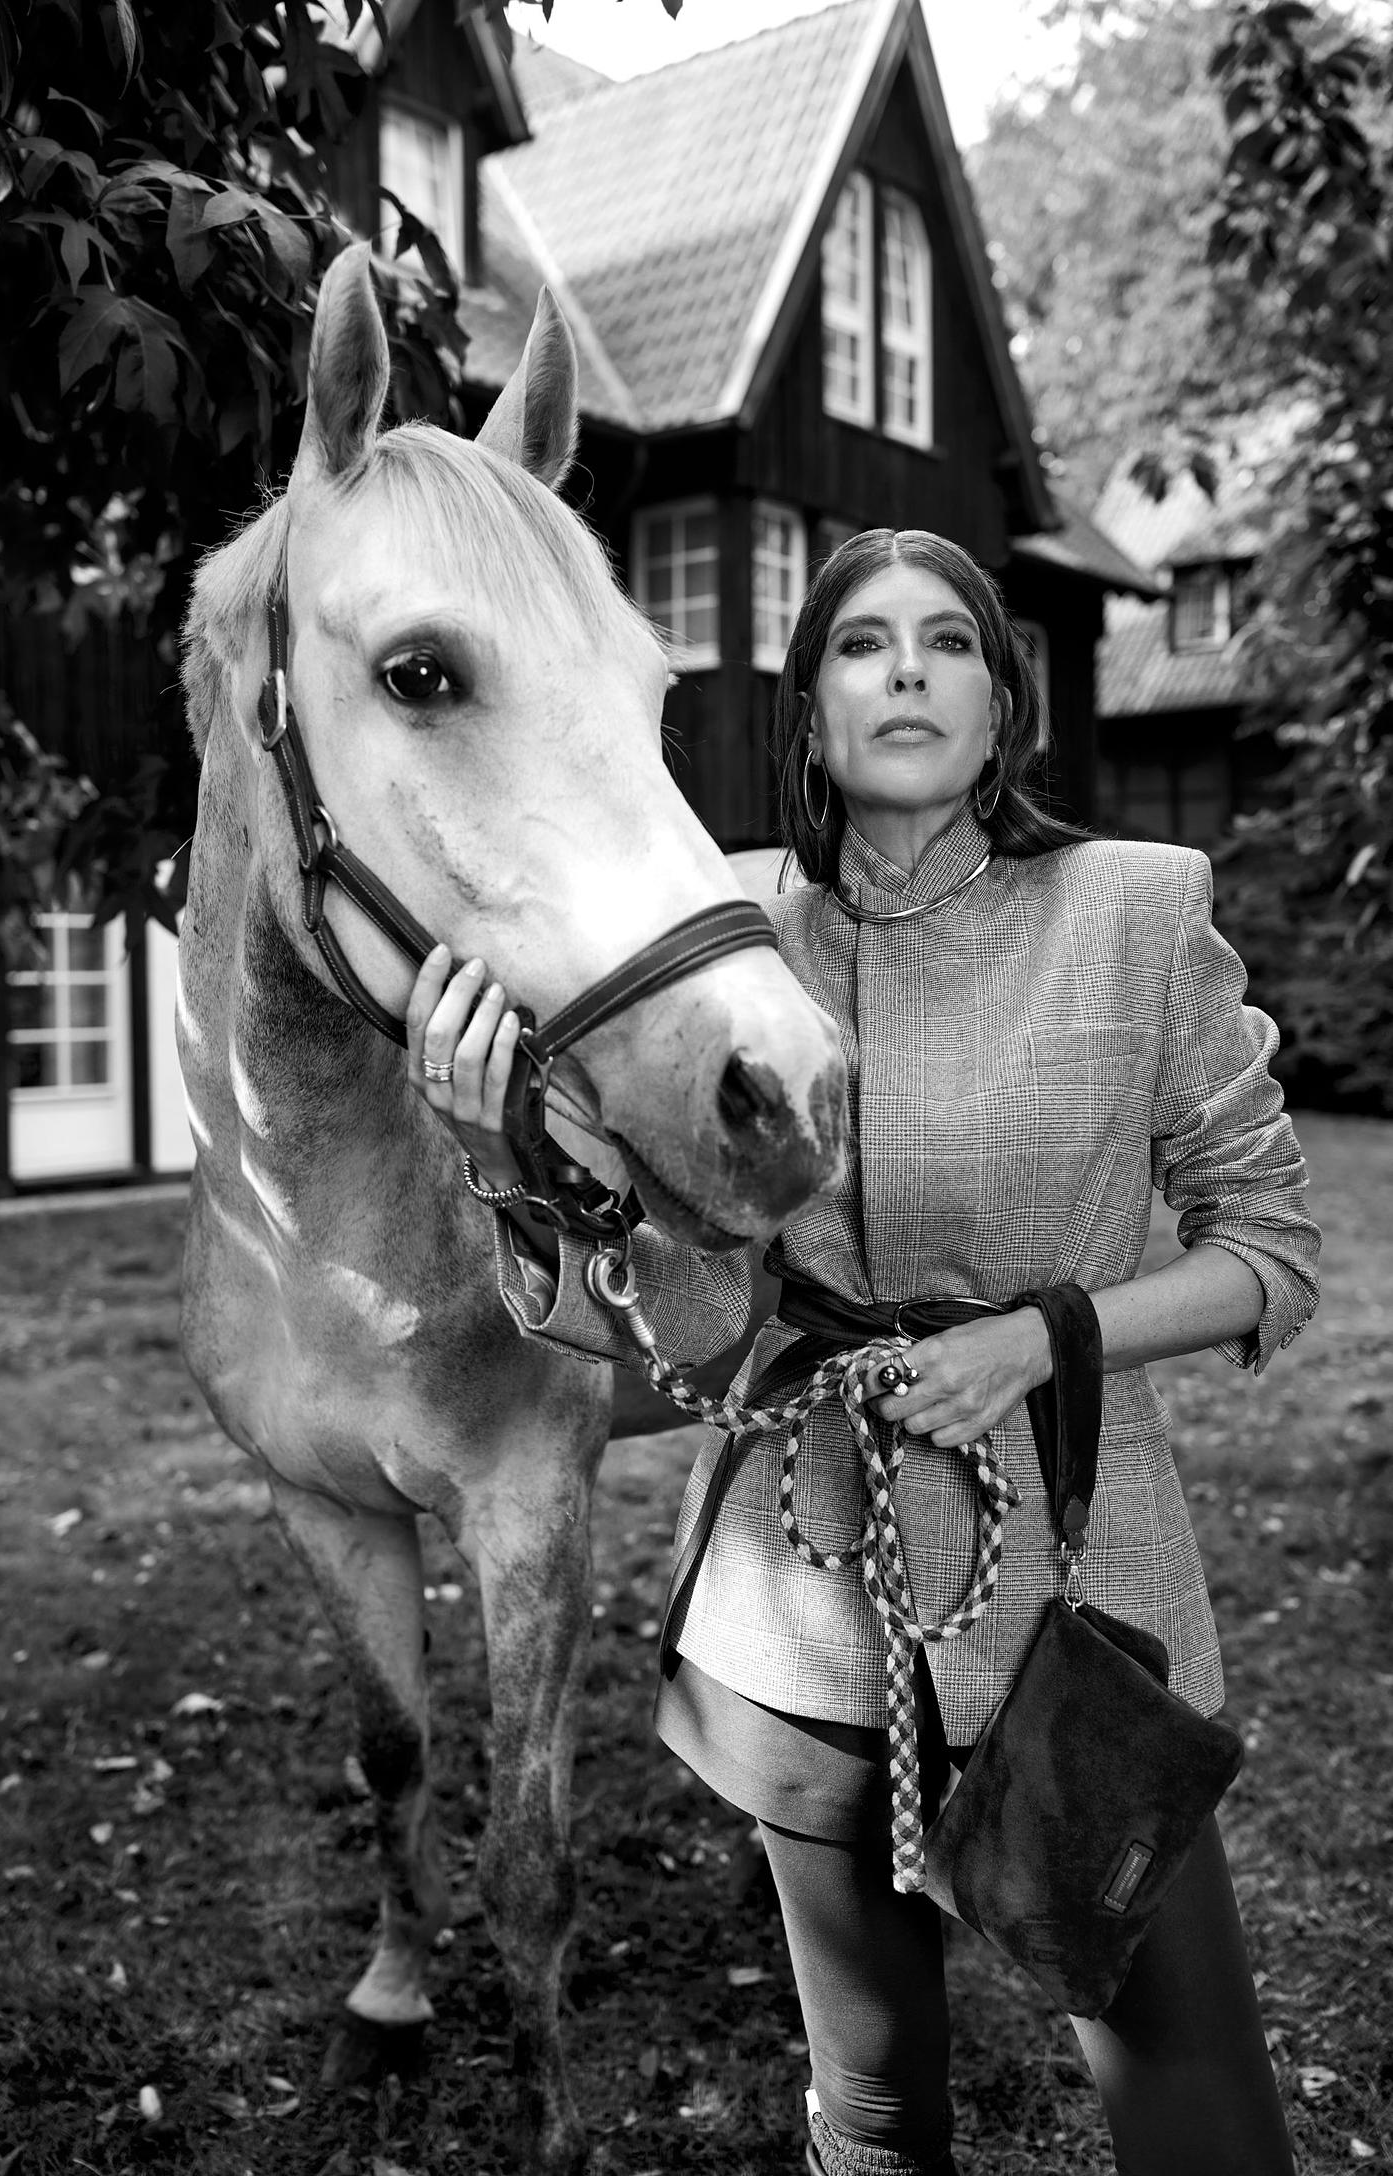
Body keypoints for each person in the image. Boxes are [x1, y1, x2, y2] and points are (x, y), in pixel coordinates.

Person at [403, 530, 1320, 2176]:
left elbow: (1270, 1253)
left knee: (1207, 2132)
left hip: (1078, 1604)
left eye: (949, 641)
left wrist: (1041, 1342)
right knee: (877, 2110)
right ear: (812, 712)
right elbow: (686, 1320)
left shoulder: (1133, 911)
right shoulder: (732, 934)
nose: (906, 668)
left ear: (1002, 703)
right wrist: (507, 1165)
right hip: (800, 1610)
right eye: (862, 644)